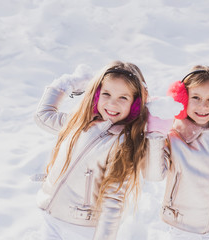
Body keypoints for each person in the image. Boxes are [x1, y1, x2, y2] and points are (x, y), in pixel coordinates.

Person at [33, 61, 149, 240]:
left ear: (135, 104)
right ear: (96, 95)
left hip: (81, 228)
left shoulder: (123, 144)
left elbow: (113, 201)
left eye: (123, 98)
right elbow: (43, 116)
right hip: (50, 217)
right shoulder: (79, 123)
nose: (112, 103)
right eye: (106, 94)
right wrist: (69, 83)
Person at [143, 65, 209, 240]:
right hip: (183, 228)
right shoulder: (174, 137)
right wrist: (155, 137)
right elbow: (154, 174)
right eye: (196, 97)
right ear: (183, 99)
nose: (204, 106)